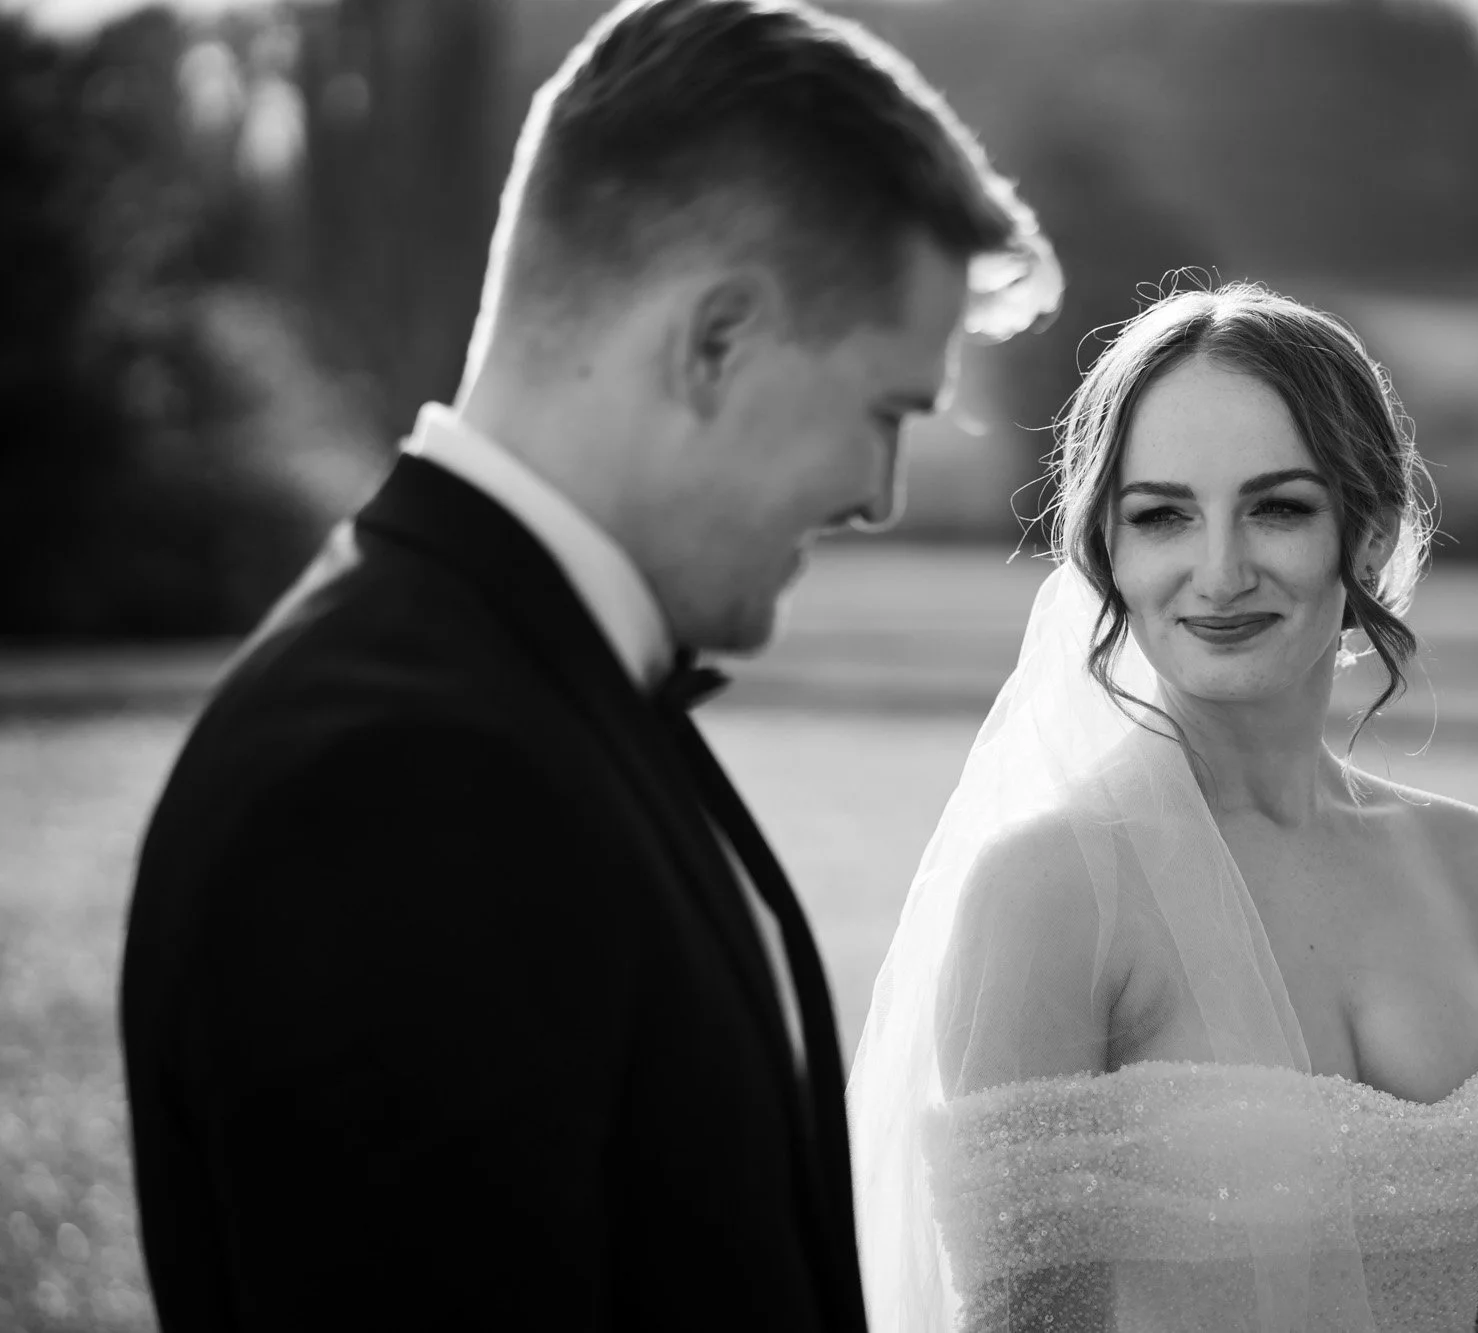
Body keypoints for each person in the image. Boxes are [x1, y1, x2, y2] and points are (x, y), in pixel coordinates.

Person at [118, 2, 1057, 1329]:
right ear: (714, 340)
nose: (880, 494)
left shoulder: (525, 689)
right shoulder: (400, 786)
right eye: (885, 410)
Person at [847, 283, 1478, 1333]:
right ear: (1110, 551)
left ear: (1365, 535)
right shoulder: (1052, 893)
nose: (1219, 570)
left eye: (1278, 507)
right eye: (1160, 516)